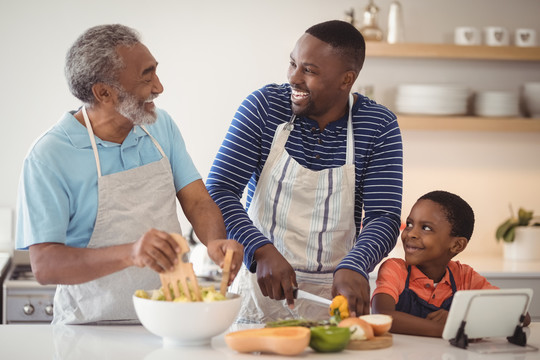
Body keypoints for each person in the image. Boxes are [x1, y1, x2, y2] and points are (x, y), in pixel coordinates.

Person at [15, 24, 243, 325]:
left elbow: (198, 201)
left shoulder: (161, 127)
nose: (159, 87)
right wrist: (131, 253)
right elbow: (46, 265)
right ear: (104, 92)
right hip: (90, 330)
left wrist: (214, 241)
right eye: (146, 76)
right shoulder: (49, 156)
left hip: (171, 319)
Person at [206, 20, 403, 323]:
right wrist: (259, 250)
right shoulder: (264, 107)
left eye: (309, 71)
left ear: (346, 79)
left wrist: (356, 264)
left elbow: (383, 217)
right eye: (293, 64)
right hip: (259, 293)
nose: (293, 78)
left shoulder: (378, 126)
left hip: (336, 297)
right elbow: (220, 189)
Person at [371, 190, 531, 337]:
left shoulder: (465, 276)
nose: (411, 233)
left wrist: (463, 317)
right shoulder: (395, 269)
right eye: (410, 224)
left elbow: (522, 316)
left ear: (457, 245)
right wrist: (449, 329)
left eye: (426, 228)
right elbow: (382, 315)